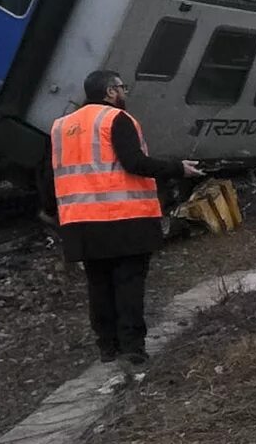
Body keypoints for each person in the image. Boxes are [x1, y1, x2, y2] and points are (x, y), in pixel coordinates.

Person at [51, 70, 203, 367]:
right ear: (109, 92)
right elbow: (135, 162)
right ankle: (132, 347)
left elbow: (53, 175)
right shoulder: (115, 119)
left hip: (79, 221)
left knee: (98, 284)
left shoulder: (61, 126)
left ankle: (107, 347)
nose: (125, 93)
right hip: (122, 219)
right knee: (128, 283)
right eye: (122, 88)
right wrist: (177, 168)